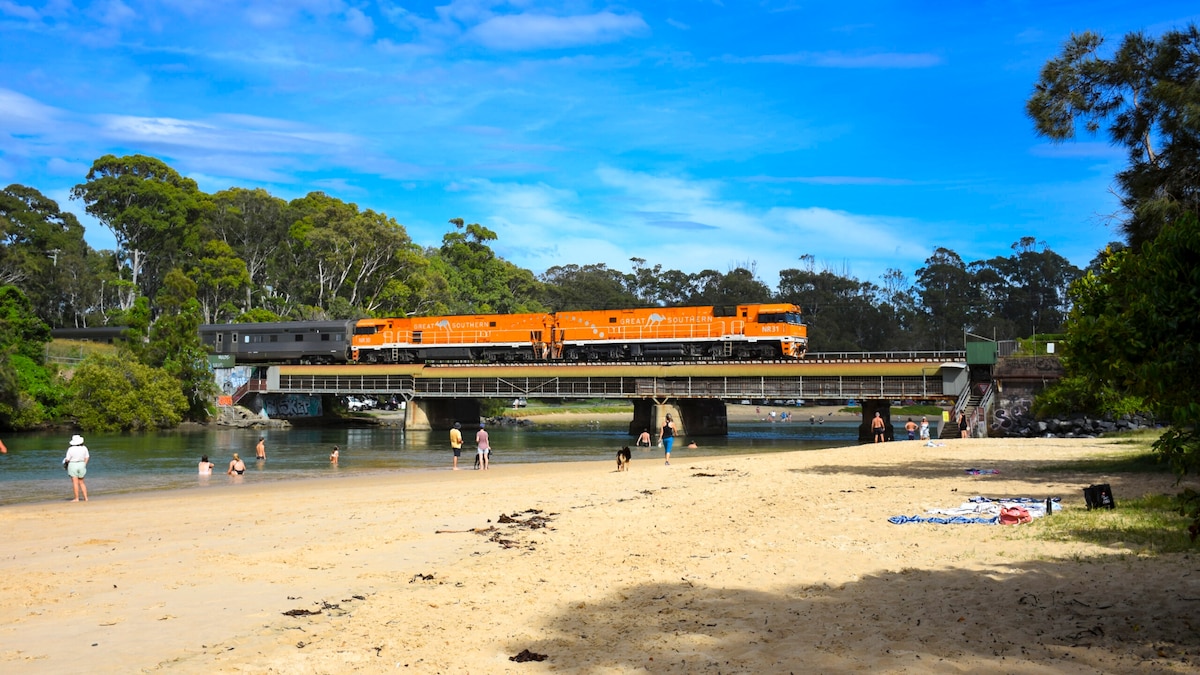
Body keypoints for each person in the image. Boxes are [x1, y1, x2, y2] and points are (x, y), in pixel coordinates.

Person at [63, 434, 89, 502]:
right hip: (81, 464)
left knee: (75, 482)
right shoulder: (84, 448)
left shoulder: (70, 449)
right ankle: (86, 498)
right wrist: (84, 464)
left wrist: (65, 464)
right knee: (82, 482)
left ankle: (76, 498)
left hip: (73, 464)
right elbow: (87, 457)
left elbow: (67, 459)